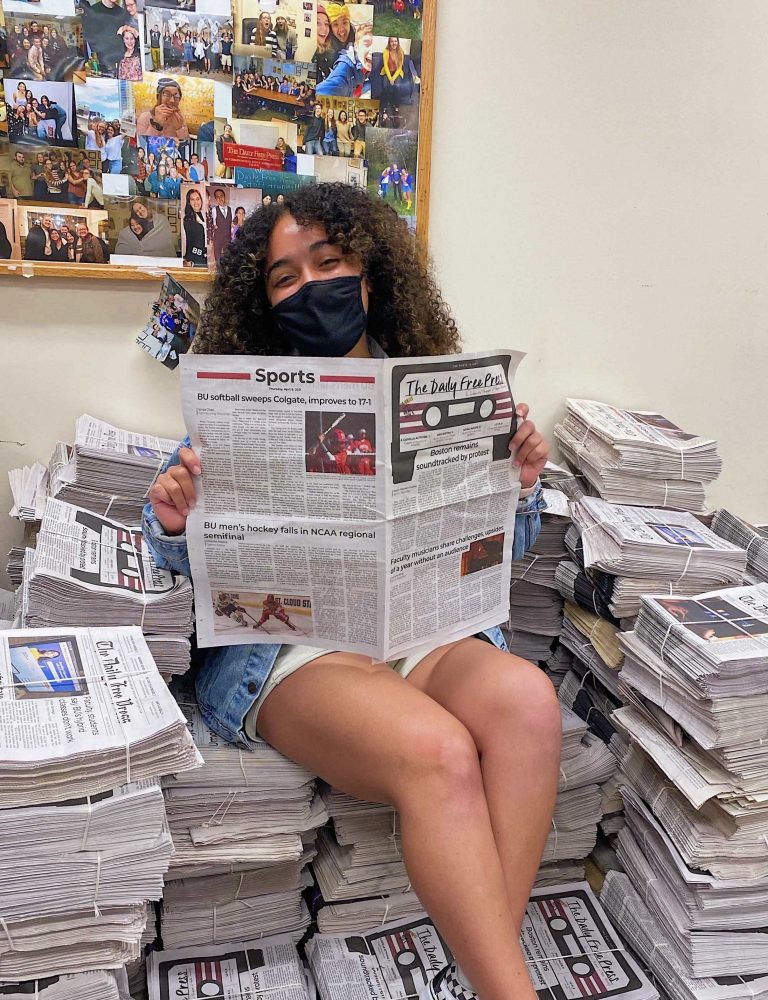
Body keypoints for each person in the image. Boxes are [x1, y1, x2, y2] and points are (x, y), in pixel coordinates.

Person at [142, 184, 556, 1000]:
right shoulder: (241, 403)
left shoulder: (440, 388)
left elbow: (495, 560)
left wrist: (520, 489)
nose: (310, 287)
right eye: (284, 278)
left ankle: (482, 979)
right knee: (439, 754)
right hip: (294, 654)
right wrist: (172, 523)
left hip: (421, 635)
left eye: (328, 264)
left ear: (370, 276)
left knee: (531, 704)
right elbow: (203, 570)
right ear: (263, 305)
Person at [81, 0, 131, 77]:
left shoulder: (121, 12)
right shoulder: (93, 11)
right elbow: (88, 38)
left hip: (120, 61)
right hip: (102, 63)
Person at [370, 36, 419, 108]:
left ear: (398, 42)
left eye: (395, 41)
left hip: (397, 72)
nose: (394, 43)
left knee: (397, 86)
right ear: (389, 43)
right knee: (385, 86)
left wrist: (393, 78)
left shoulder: (401, 52)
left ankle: (396, 105)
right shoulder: (386, 51)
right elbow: (386, 66)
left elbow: (399, 68)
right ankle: (385, 105)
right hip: (387, 72)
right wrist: (390, 78)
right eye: (392, 41)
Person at [182, 186, 206, 267]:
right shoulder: (188, 219)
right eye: (192, 199)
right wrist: (188, 259)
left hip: (207, 256)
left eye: (198, 198)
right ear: (189, 202)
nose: (196, 202)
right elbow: (189, 241)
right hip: (196, 258)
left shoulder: (205, 215)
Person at [312, 4, 336, 82]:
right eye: (317, 23)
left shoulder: (328, 53)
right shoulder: (307, 55)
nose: (324, 29)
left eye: (326, 24)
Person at [210, 186, 232, 264]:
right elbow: (212, 224)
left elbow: (231, 223)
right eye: (217, 197)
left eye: (221, 196)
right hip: (218, 237)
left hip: (228, 237)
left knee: (228, 257)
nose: (220, 198)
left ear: (224, 196)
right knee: (218, 257)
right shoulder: (214, 210)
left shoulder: (230, 209)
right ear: (216, 199)